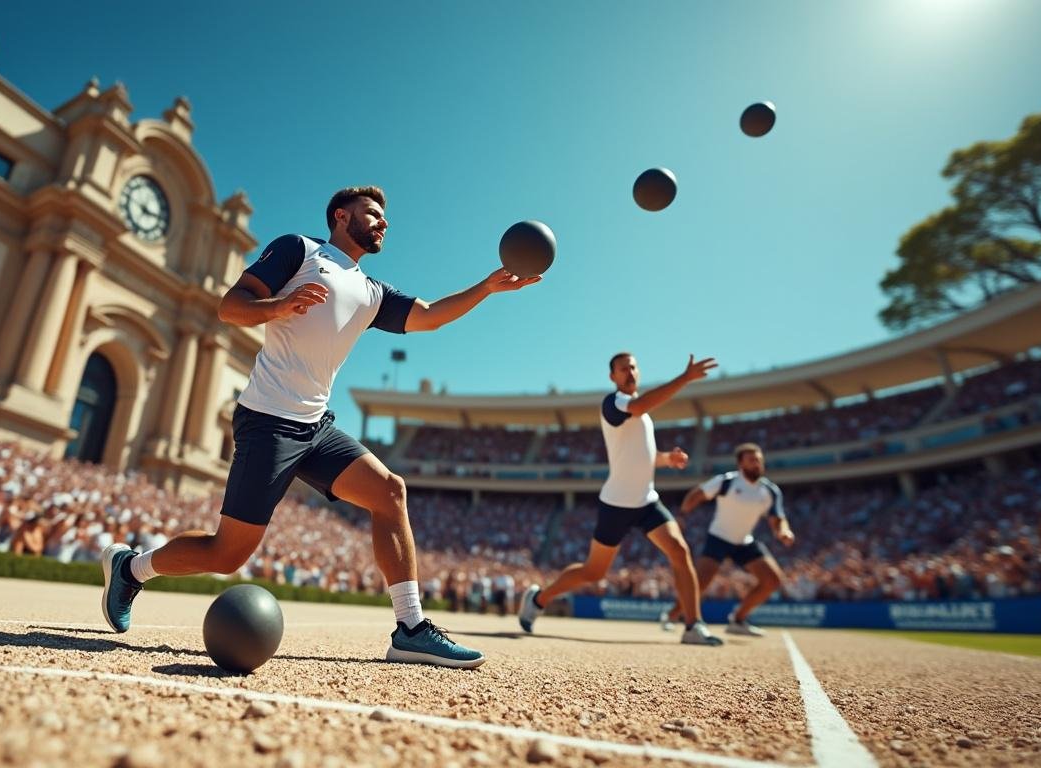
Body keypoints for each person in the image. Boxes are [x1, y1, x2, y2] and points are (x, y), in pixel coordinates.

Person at [99, 186, 539, 668]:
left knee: (390, 492)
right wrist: (275, 308)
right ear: (339, 216)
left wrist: (487, 287)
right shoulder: (300, 250)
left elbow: (431, 317)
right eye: (372, 213)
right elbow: (230, 306)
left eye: (384, 217)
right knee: (227, 555)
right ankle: (131, 568)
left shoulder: (373, 293)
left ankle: (411, 628)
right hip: (268, 420)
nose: (382, 222)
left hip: (315, 425)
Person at [518, 352, 724, 646]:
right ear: (612, 376)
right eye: (623, 368)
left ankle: (693, 624)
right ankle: (538, 599)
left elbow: (645, 457)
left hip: (647, 501)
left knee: (679, 550)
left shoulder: (643, 417)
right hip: (616, 503)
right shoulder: (613, 403)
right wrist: (684, 378)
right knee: (594, 571)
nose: (630, 371)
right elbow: (639, 406)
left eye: (634, 366)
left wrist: (668, 458)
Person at [663, 443, 794, 636]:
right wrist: (682, 515)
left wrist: (784, 531)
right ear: (741, 464)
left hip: (744, 542)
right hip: (718, 537)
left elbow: (777, 519)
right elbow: (697, 494)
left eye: (759, 460)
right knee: (699, 584)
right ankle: (672, 615)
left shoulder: (770, 491)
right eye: (751, 460)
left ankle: (738, 619)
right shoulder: (727, 481)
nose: (757, 464)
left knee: (772, 580)